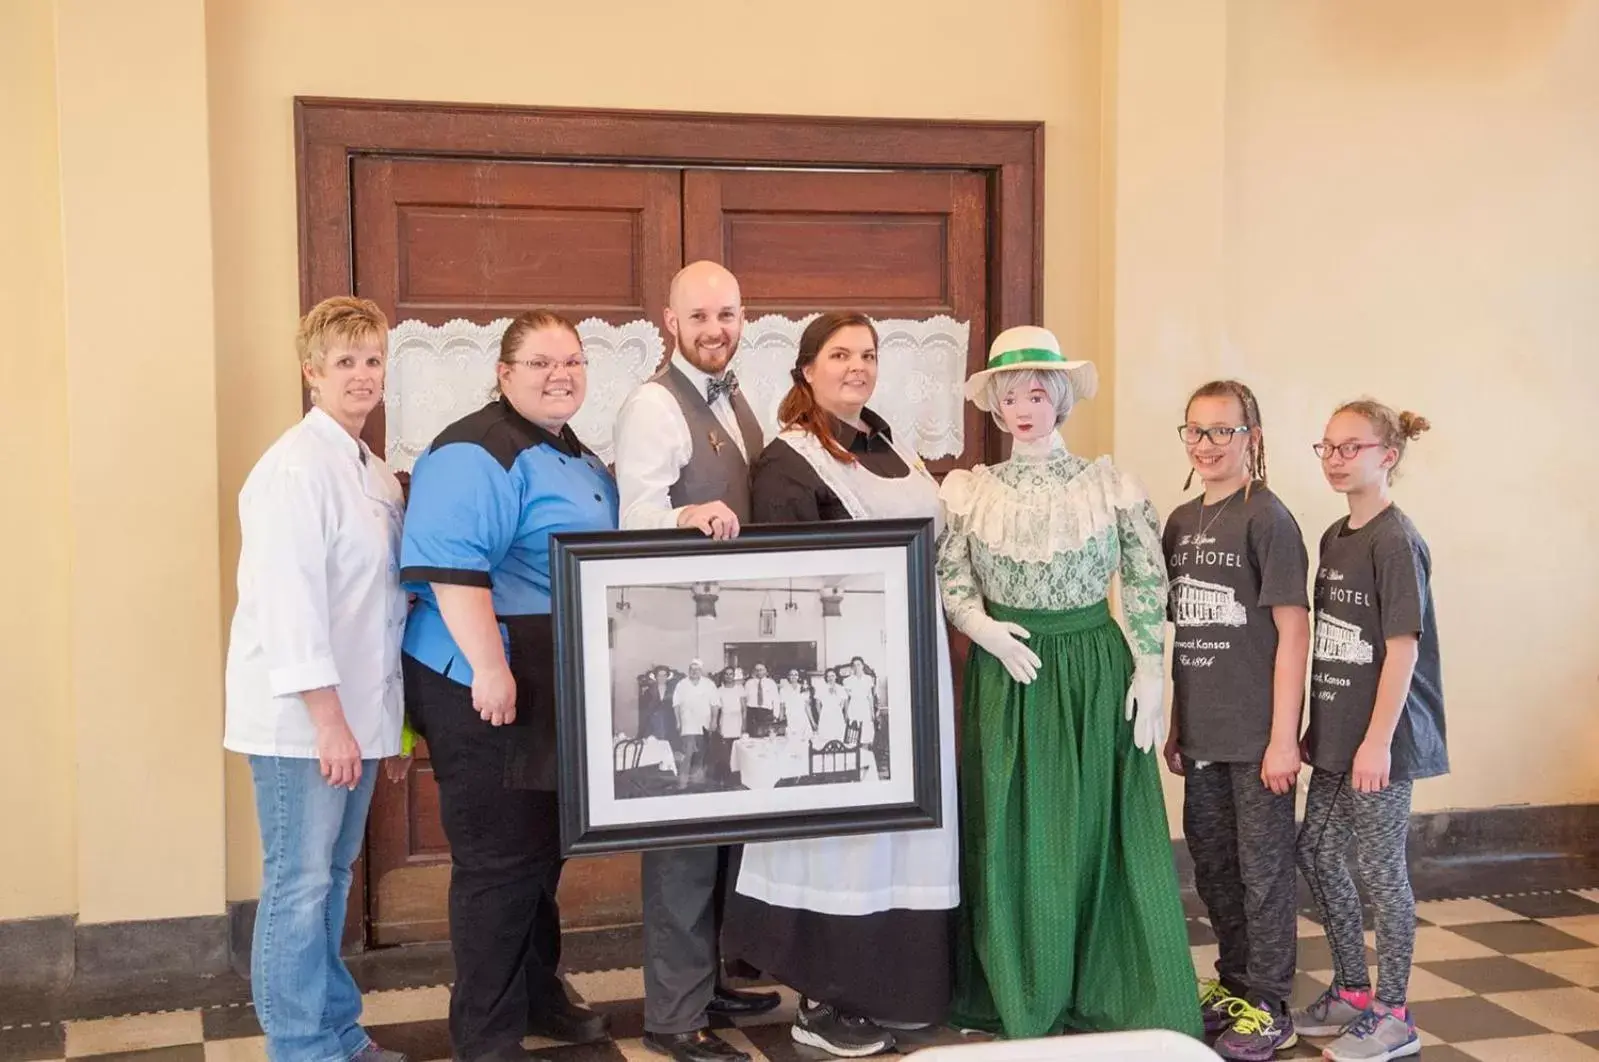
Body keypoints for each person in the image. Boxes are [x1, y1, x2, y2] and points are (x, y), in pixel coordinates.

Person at [936, 325, 1200, 1040]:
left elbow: (1147, 579)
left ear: (1057, 399)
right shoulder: (969, 491)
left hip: (1093, 667)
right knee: (1013, 825)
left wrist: (1152, 671)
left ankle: (1110, 985)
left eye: (1036, 393)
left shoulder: (1107, 486)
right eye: (1010, 395)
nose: (1024, 408)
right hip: (1009, 673)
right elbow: (951, 577)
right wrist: (980, 627)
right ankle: (1022, 986)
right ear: (994, 405)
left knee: (1097, 829)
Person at [726, 312, 960, 1057]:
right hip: (844, 673)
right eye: (839, 355)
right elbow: (784, 585)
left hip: (916, 666)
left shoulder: (890, 446)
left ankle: (901, 986)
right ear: (805, 370)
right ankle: (828, 997)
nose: (856, 367)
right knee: (843, 834)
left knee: (908, 831)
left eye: (867, 354)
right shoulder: (789, 463)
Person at [399, 310, 614, 1062]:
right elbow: (451, 569)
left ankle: (536, 992)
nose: (561, 375)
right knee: (498, 863)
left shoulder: (571, 451)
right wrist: (490, 669)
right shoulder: (474, 449)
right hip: (480, 677)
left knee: (540, 853)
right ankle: (485, 1038)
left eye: (574, 361)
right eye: (540, 363)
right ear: (502, 372)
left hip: (548, 677)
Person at [225, 296, 410, 1062]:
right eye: (344, 362)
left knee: (331, 880)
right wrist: (331, 721)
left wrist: (383, 725)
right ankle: (300, 1046)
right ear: (311, 372)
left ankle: (338, 1031)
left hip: (359, 716)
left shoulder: (368, 467)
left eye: (371, 360)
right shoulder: (294, 469)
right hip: (305, 722)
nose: (361, 376)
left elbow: (378, 606)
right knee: (299, 887)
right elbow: (290, 606)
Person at [613, 260, 779, 1062]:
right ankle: (673, 1017)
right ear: (668, 323)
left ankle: (706, 980)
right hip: (679, 640)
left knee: (725, 820)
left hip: (728, 641)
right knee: (682, 830)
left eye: (729, 312)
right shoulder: (652, 404)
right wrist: (686, 512)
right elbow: (633, 515)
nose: (717, 329)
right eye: (700, 316)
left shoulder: (736, 395)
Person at [1292, 401, 1446, 1062]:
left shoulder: (1394, 539)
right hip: (1335, 735)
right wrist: (1315, 724)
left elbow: (1401, 650)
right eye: (1325, 446)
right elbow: (1333, 643)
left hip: (1381, 741)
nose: (1333, 458)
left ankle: (1394, 1014)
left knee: (1381, 870)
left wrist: (1376, 740)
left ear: (1386, 456)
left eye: (1348, 447)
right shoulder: (1335, 537)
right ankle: (1353, 992)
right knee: (1316, 851)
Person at [1161, 381, 1310, 1060]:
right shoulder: (1180, 521)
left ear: (1251, 436)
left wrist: (1283, 738)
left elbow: (1292, 632)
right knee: (1214, 866)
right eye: (1194, 430)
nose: (1206, 445)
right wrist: (1174, 721)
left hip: (1257, 739)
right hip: (1202, 734)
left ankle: (1272, 1001)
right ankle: (1236, 983)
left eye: (1222, 431)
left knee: (1263, 870)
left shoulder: (1268, 519)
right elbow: (1182, 633)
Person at [673, 659, 718, 786]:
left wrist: (714, 721)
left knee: (701, 755)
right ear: (688, 671)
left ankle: (698, 784)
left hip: (704, 725)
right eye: (691, 669)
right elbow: (676, 704)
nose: (694, 672)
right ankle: (683, 784)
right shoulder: (681, 684)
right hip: (687, 726)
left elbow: (715, 705)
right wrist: (677, 721)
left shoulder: (709, 684)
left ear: (701, 671)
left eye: (697, 669)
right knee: (687, 755)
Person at [714, 667, 747, 785]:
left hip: (737, 721)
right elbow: (717, 710)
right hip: (725, 722)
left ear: (734, 676)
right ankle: (726, 777)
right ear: (723, 676)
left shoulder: (740, 689)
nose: (729, 676)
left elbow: (744, 709)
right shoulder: (719, 690)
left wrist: (744, 724)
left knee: (739, 749)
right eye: (726, 674)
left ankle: (738, 777)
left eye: (731, 674)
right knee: (726, 751)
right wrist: (717, 725)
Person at [841, 657, 877, 748]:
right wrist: (846, 714)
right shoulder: (848, 680)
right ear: (852, 667)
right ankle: (854, 758)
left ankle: (865, 758)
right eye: (854, 665)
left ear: (862, 666)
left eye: (858, 664)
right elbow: (846, 699)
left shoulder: (868, 679)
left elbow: (870, 696)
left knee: (866, 734)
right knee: (853, 734)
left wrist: (872, 712)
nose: (856, 667)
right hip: (853, 707)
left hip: (865, 707)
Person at [640, 666, 678, 742]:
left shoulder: (673, 691)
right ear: (656, 677)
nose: (662, 678)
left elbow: (676, 707)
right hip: (652, 724)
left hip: (669, 723)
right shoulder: (649, 691)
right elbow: (645, 711)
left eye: (664, 675)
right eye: (659, 675)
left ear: (667, 677)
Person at [812, 669, 848, 748]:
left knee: (838, 737)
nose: (830, 678)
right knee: (825, 738)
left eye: (832, 676)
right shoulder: (821, 688)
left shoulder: (841, 688)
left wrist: (844, 715)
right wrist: (821, 715)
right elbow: (817, 704)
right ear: (826, 678)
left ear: (836, 677)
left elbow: (844, 703)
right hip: (825, 714)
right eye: (828, 676)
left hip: (837, 714)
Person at [744, 663, 779, 737]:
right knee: (752, 735)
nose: (759, 672)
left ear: (765, 671)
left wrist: (776, 715)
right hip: (752, 712)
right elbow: (745, 700)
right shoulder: (748, 683)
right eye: (757, 670)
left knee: (766, 735)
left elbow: (776, 700)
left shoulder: (771, 683)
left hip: (766, 713)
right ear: (754, 671)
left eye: (761, 670)